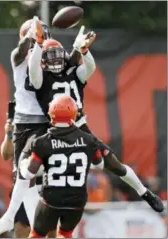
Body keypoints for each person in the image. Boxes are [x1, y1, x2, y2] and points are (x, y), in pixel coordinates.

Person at [27, 25, 164, 214]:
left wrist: (84, 50)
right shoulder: (40, 80)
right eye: (50, 56)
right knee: (29, 169)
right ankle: (25, 204)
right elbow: (33, 68)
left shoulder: (74, 74)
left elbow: (89, 67)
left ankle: (144, 192)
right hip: (54, 132)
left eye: (58, 54)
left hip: (80, 129)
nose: (56, 59)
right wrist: (38, 43)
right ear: (42, 61)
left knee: (114, 164)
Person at [0, 16, 81, 237]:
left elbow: (73, 64)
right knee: (23, 173)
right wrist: (31, 36)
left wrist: (80, 49)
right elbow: (21, 50)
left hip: (52, 119)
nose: (42, 37)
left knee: (50, 181)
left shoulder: (52, 53)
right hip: (26, 122)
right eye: (36, 33)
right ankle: (15, 218)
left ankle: (45, 223)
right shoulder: (20, 55)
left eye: (44, 33)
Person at [20, 95, 104, 238]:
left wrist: (23, 163)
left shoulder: (42, 142)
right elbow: (100, 165)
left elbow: (28, 174)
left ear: (51, 113)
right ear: (74, 113)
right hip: (77, 200)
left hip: (51, 199)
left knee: (37, 235)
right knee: (66, 234)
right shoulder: (88, 140)